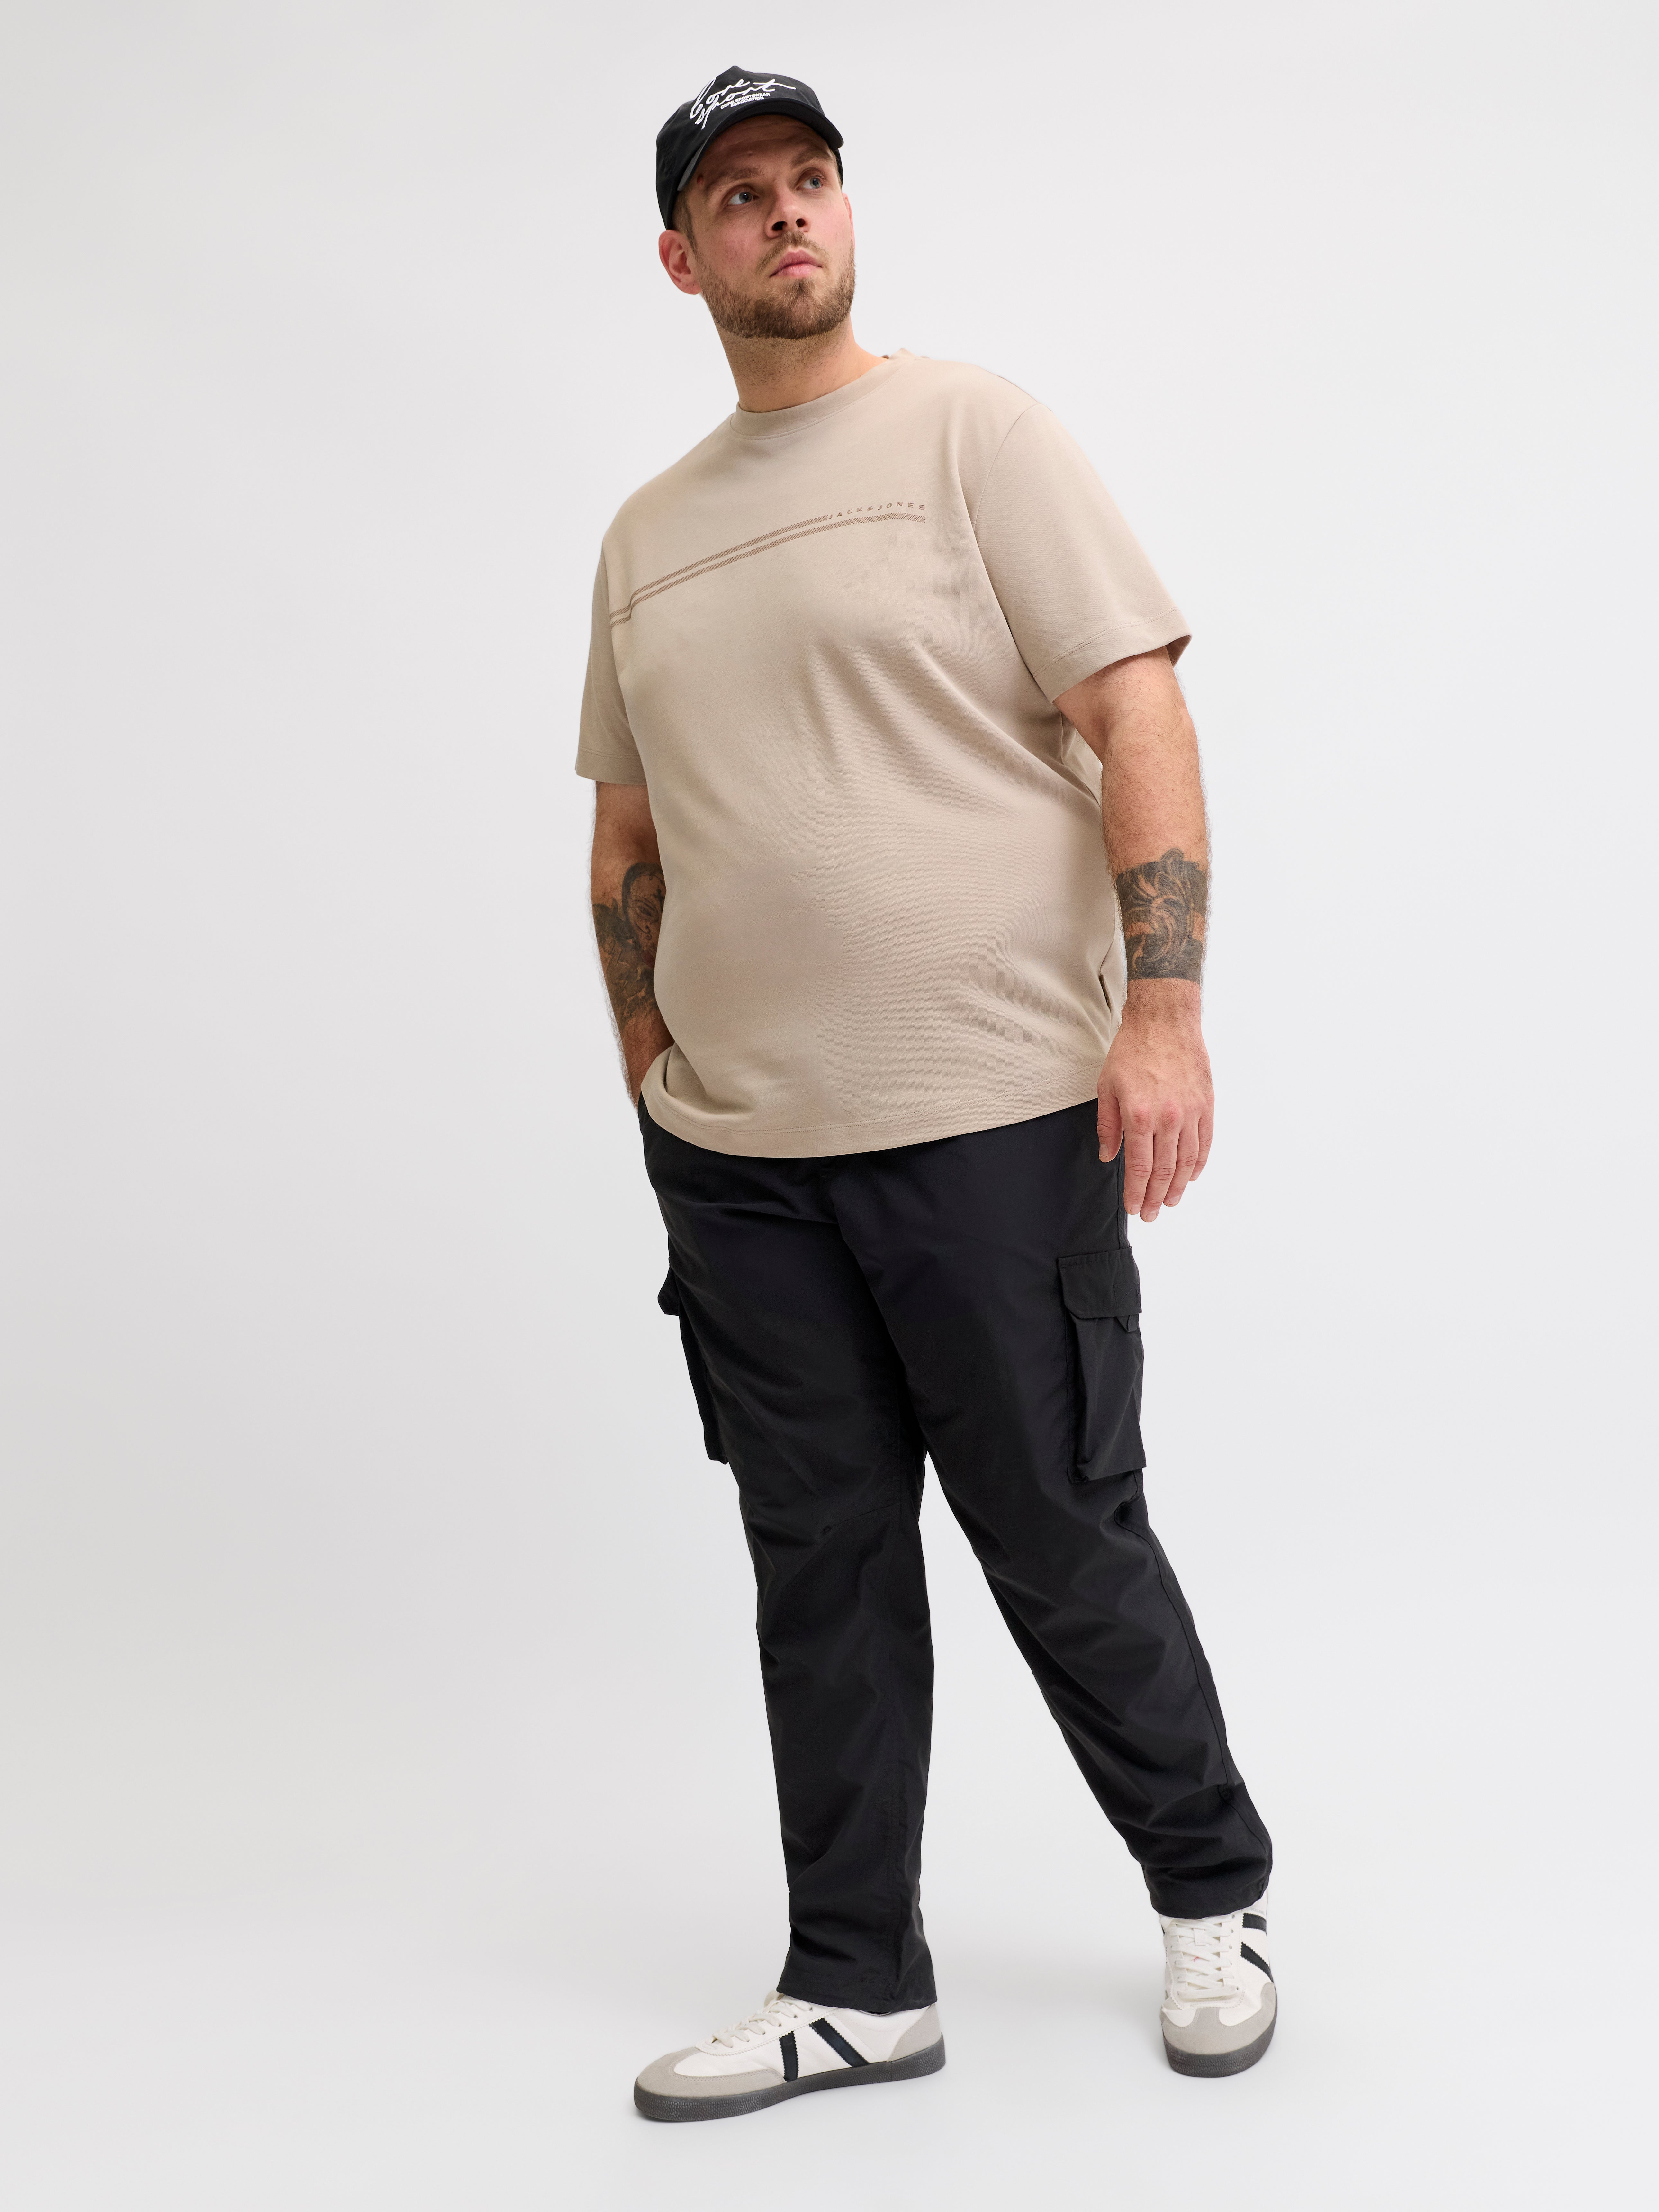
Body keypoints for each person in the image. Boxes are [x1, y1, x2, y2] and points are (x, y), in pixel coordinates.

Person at [579, 66, 1275, 2124]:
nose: (788, 214)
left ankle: (1213, 1890)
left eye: (810, 179)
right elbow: (627, 838)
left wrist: (1164, 1014)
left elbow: (1136, 704)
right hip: (745, 1161)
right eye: (740, 194)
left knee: (1057, 1527)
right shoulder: (644, 538)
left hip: (987, 1119)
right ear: (683, 256)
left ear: (846, 212)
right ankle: (855, 1977)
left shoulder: (974, 435)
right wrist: (657, 1079)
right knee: (820, 1562)